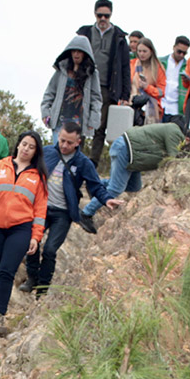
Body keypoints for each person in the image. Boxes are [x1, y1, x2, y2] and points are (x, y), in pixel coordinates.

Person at [24, 122, 123, 293]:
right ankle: (32, 278)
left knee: (50, 250)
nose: (64, 145)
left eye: (69, 143)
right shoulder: (47, 152)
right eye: (62, 140)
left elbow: (96, 185)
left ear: (78, 142)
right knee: (32, 243)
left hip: (63, 213)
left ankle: (43, 288)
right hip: (41, 209)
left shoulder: (83, 163)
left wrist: (107, 200)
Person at [0, 131, 48, 336]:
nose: (26, 149)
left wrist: (36, 237)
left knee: (6, 271)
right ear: (18, 145)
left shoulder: (38, 177)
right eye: (24, 144)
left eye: (31, 146)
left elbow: (40, 210)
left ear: (36, 151)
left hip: (20, 228)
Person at [79, 122, 184, 222]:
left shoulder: (170, 130)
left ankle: (97, 186)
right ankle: (86, 213)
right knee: (116, 188)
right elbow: (174, 160)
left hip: (131, 155)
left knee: (134, 187)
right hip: (125, 149)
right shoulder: (174, 130)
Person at [76, 0, 132, 165]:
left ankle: (93, 162)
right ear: (95, 14)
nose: (103, 19)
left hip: (107, 87)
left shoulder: (119, 37)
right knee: (81, 123)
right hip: (84, 85)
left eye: (106, 16)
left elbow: (125, 67)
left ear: (111, 15)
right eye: (100, 15)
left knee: (99, 127)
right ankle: (76, 159)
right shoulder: (84, 34)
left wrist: (125, 93)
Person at [42, 35, 102, 144]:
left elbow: (96, 98)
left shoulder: (92, 74)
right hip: (59, 120)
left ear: (85, 53)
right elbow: (49, 93)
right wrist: (45, 113)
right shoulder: (61, 70)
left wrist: (93, 121)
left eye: (80, 51)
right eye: (74, 51)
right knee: (57, 152)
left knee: (72, 156)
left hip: (78, 122)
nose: (76, 54)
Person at [131, 37, 166, 125]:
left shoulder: (158, 68)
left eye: (144, 51)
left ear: (151, 51)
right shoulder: (132, 64)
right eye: (139, 51)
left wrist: (147, 87)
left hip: (150, 108)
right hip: (133, 104)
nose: (141, 54)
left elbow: (161, 92)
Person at [159, 36, 190, 131]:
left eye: (184, 53)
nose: (181, 55)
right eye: (179, 51)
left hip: (177, 109)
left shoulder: (188, 66)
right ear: (174, 47)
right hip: (161, 105)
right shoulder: (161, 62)